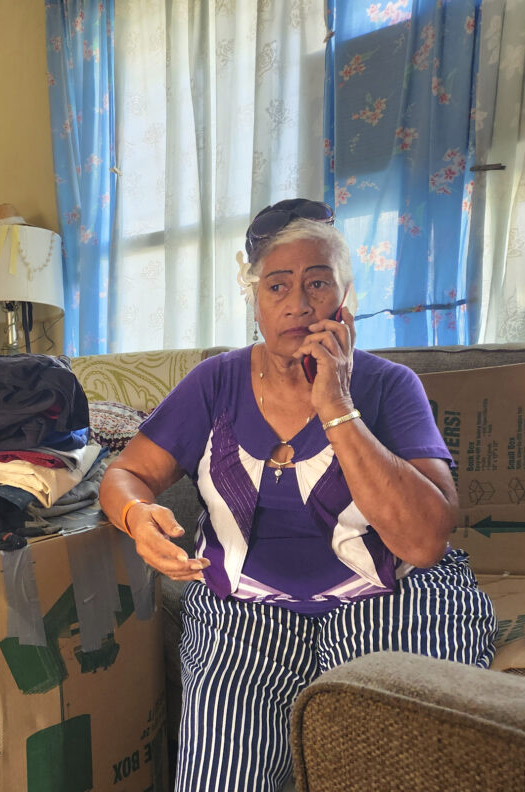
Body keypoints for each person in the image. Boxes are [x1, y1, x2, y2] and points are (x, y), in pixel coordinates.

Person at [99, 198, 497, 792]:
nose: (297, 302)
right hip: (242, 608)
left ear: (345, 299)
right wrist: (136, 515)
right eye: (277, 285)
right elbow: (123, 475)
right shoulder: (215, 382)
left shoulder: (391, 386)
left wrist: (337, 405)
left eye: (317, 282)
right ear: (256, 303)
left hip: (388, 598)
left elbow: (423, 540)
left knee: (407, 771)